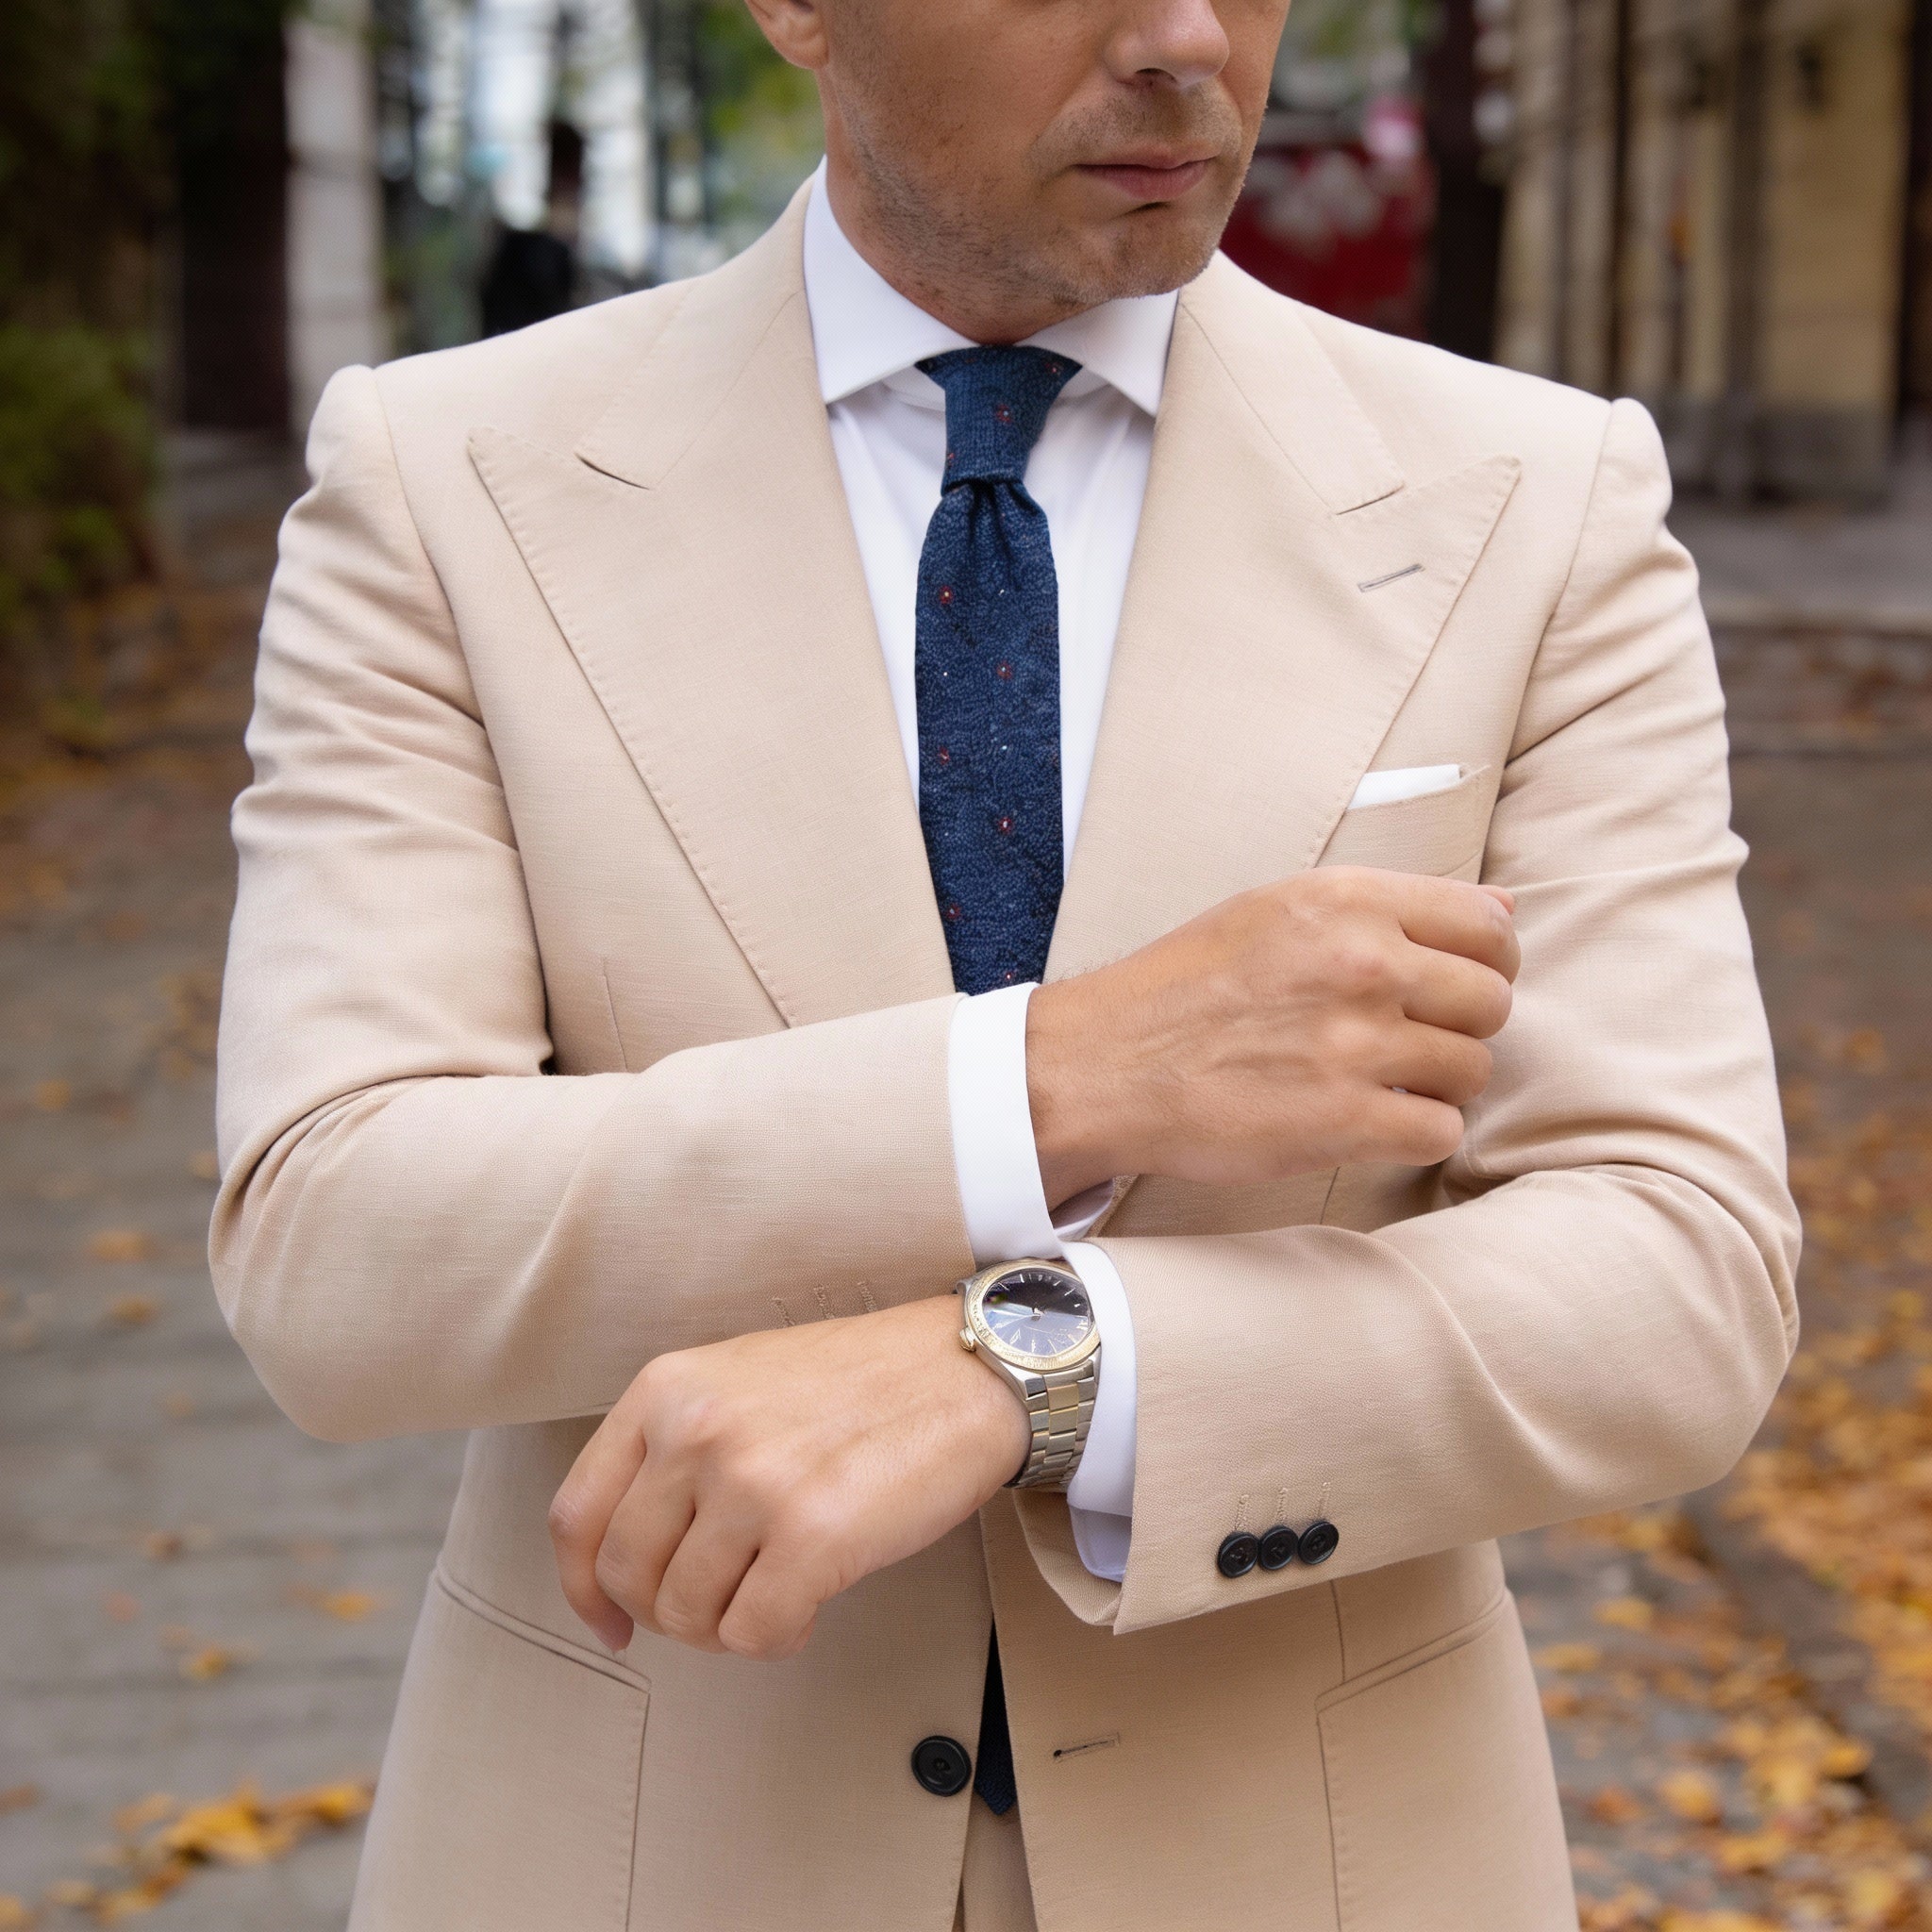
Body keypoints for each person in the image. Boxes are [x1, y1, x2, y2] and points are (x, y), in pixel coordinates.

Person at [210, 0, 1800, 1926]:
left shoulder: (1536, 503)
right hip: (640, 1855)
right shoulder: (449, 484)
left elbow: (1673, 1272)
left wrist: (1037, 1373)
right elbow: (336, 1242)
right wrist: (1052, 1079)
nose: (1185, 36)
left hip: (1323, 1859)